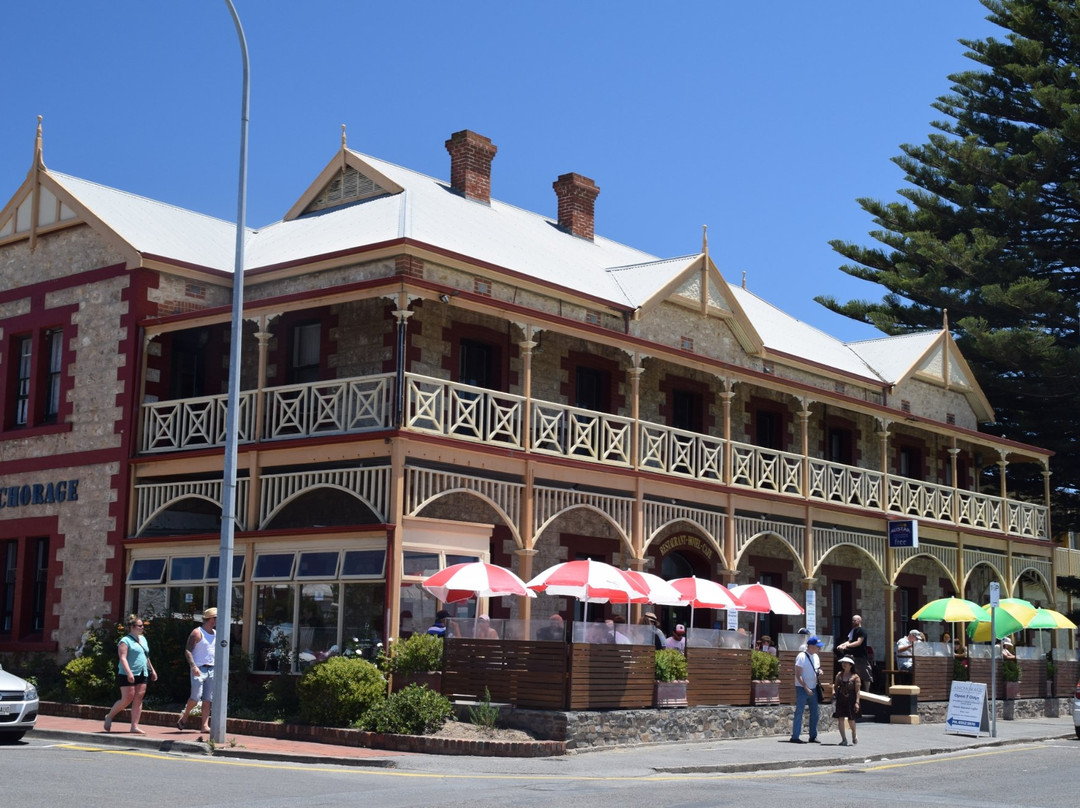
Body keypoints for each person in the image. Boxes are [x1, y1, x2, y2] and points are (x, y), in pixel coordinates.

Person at [103, 615, 157, 735]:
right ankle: (109, 716)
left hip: (142, 672)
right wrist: (129, 673)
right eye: (140, 625)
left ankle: (134, 726)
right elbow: (122, 658)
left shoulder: (143, 639)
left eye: (143, 625)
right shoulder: (125, 641)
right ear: (132, 627)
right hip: (127, 673)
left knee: (139, 697)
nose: (142, 627)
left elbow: (146, 656)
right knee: (127, 698)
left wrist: (152, 670)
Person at [177, 607, 217, 732]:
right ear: (211, 619)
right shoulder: (197, 632)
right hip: (199, 668)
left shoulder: (216, 633)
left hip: (212, 668)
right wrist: (193, 666)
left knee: (208, 699)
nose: (217, 621)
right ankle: (185, 716)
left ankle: (204, 726)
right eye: (216, 618)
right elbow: (188, 650)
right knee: (196, 696)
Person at [790, 635, 822, 743]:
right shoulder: (801, 656)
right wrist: (805, 687)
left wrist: (819, 672)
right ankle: (795, 736)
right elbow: (798, 674)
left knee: (815, 713)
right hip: (802, 687)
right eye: (818, 646)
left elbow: (817, 669)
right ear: (811, 646)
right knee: (799, 711)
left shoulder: (816, 657)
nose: (819, 649)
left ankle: (813, 736)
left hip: (813, 687)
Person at [837, 614, 872, 691]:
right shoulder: (853, 631)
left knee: (865, 675)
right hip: (853, 657)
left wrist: (847, 646)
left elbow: (858, 642)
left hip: (861, 657)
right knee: (854, 674)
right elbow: (849, 641)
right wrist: (842, 645)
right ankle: (855, 691)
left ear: (859, 620)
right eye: (852, 620)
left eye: (855, 620)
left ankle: (867, 692)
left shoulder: (862, 631)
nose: (853, 622)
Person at [833, 655, 862, 746]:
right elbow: (835, 686)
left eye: (846, 663)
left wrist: (857, 702)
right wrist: (834, 693)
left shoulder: (855, 677)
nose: (844, 664)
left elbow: (857, 691)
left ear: (851, 665)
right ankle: (844, 739)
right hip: (841, 698)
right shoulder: (839, 675)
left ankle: (853, 733)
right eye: (843, 663)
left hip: (851, 699)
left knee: (851, 720)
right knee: (840, 719)